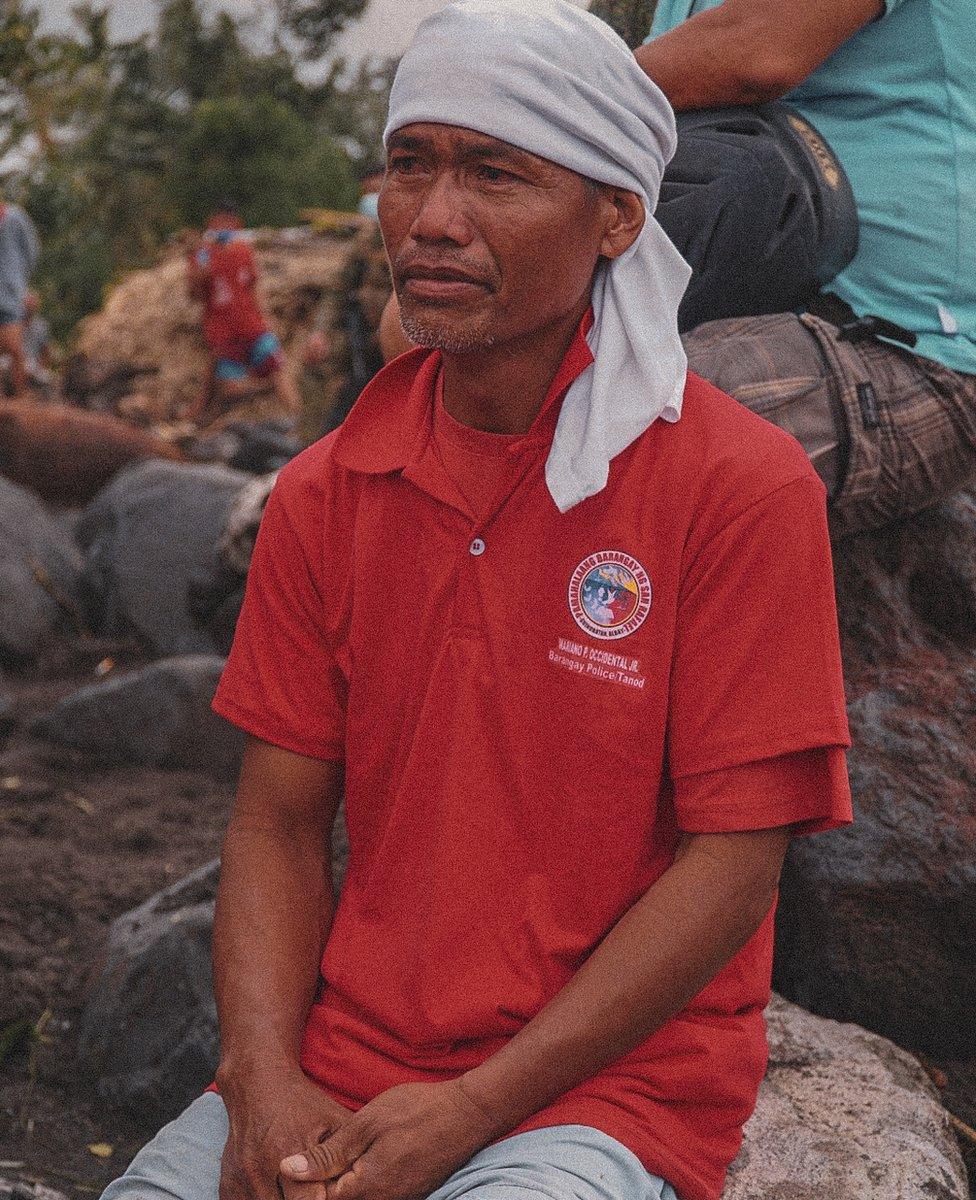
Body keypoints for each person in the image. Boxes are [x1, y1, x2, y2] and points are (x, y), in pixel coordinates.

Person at [102, 5, 852, 1200]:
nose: (433, 218)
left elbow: (733, 865)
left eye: (496, 173)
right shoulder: (327, 489)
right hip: (338, 1060)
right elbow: (278, 823)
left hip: (605, 1091)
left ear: (618, 216)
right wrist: (260, 1078)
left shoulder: (735, 489)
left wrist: (472, 1113)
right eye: (411, 164)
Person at [634, 0, 976, 538]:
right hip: (747, 276)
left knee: (601, 432)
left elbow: (757, 51)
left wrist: (525, 102)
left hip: (900, 342)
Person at [187, 200, 301, 424]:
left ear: (236, 224)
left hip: (252, 326)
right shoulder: (201, 255)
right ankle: (255, 391)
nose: (224, 227)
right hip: (224, 333)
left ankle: (299, 422)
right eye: (220, 222)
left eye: (229, 222)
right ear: (211, 223)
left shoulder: (243, 250)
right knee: (232, 390)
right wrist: (200, 275)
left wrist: (266, 318)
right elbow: (194, 294)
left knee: (279, 370)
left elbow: (253, 288)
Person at [0, 197, 40, 400]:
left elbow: (32, 251)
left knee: (15, 348)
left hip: (11, 295)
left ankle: (20, 397)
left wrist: (22, 284)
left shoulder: (16, 219)